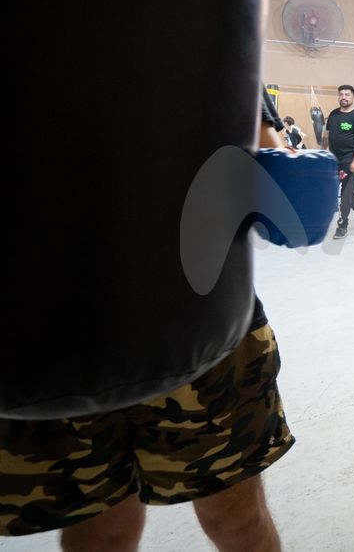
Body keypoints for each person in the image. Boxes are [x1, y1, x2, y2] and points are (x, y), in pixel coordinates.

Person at [0, 88, 295, 549]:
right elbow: (275, 180)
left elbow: (267, 167)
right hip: (74, 330)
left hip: (160, 326)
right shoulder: (196, 19)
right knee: (121, 527)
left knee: (130, 525)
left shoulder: (199, 21)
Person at [322, 84, 354, 239]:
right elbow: (326, 135)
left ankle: (342, 226)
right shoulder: (334, 114)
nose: (343, 97)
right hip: (334, 159)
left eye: (347, 95)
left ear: (352, 96)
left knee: (345, 194)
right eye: (341, 94)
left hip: (350, 160)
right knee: (347, 195)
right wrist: (322, 151)